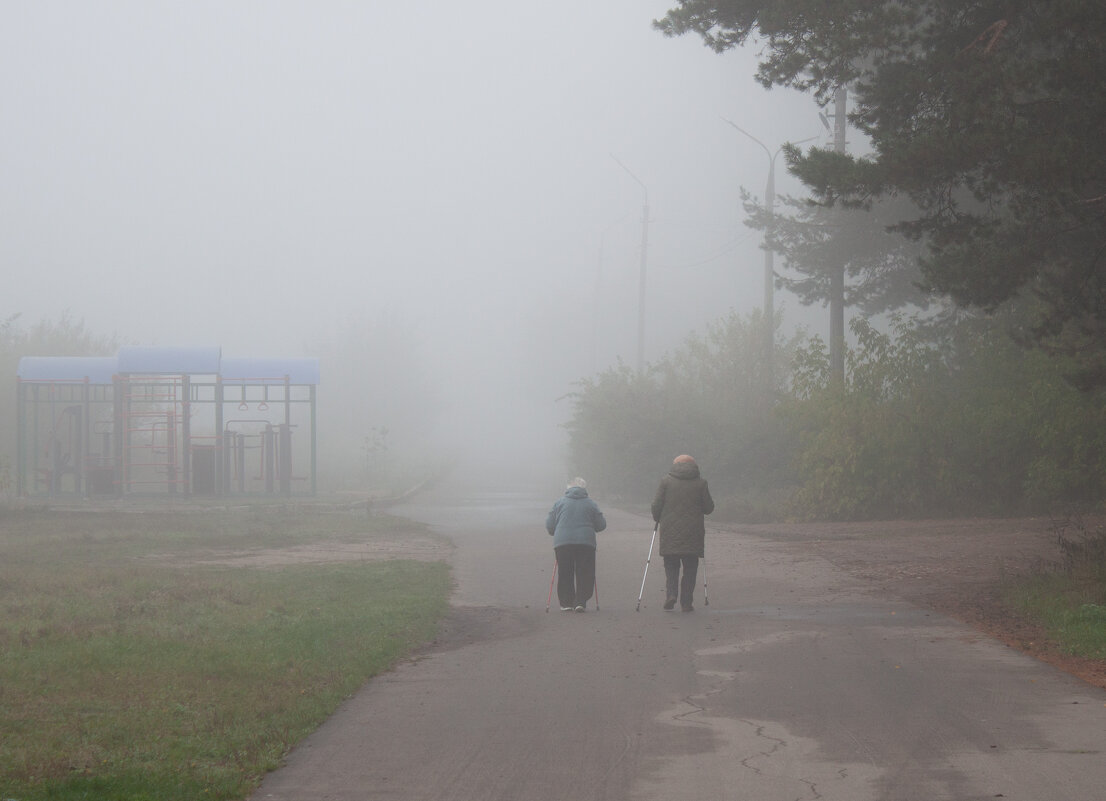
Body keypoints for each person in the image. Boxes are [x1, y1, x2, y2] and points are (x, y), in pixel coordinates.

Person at [651, 455, 714, 612]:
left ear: (675, 465)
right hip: (693, 533)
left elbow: (656, 504)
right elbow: (709, 508)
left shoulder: (666, 481)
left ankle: (671, 594)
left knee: (671, 566)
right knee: (690, 567)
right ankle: (686, 603)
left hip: (670, 532)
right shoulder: (701, 483)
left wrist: (657, 517)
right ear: (694, 466)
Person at [545, 477, 607, 612]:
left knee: (565, 571)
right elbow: (601, 525)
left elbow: (549, 524)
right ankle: (580, 601)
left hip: (563, 542)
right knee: (585, 571)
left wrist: (554, 532)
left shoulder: (559, 503)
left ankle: (566, 603)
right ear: (584, 488)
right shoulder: (591, 504)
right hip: (586, 542)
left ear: (568, 488)